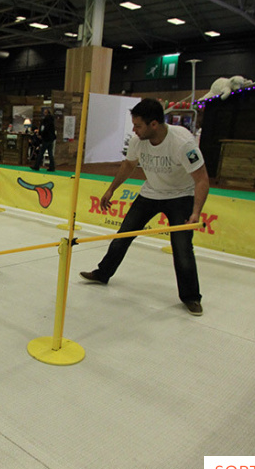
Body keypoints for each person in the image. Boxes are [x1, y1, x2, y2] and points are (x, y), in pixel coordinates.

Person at [79, 98, 209, 316]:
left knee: (182, 247)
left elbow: (202, 179)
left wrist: (196, 212)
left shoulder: (182, 142)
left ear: (154, 124)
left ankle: (191, 297)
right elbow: (128, 165)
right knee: (124, 235)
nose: (134, 129)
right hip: (150, 193)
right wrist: (111, 190)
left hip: (180, 196)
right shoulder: (138, 140)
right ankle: (103, 273)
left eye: (138, 125)